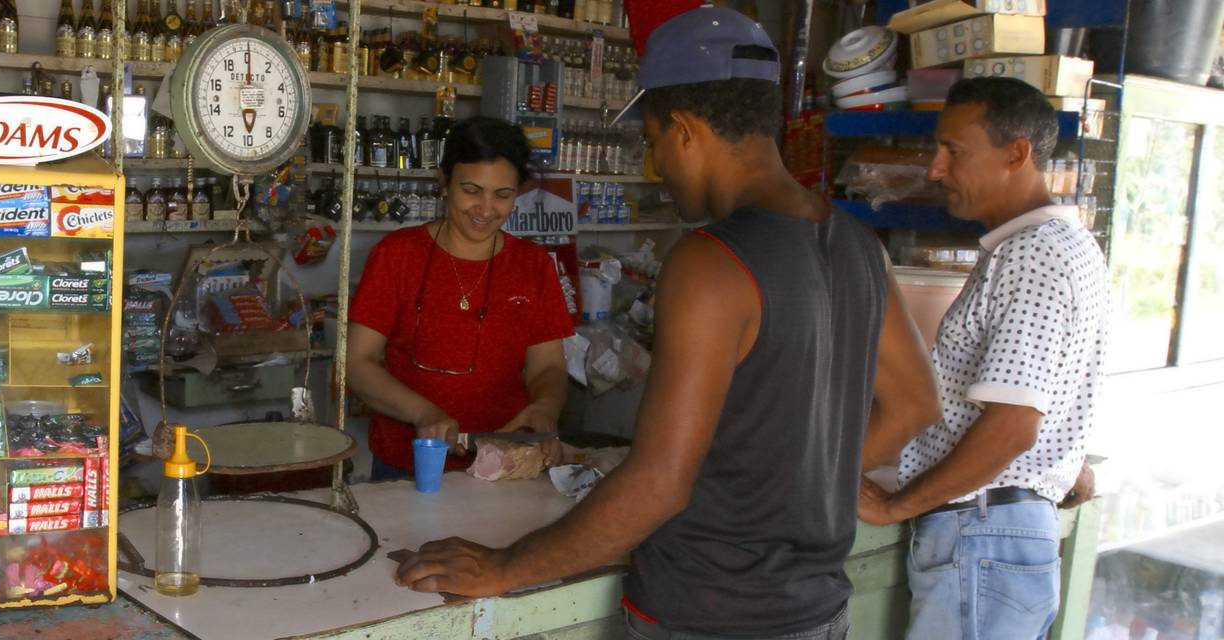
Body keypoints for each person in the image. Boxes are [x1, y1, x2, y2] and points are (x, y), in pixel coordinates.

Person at [393, 7, 941, 638]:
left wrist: (504, 567)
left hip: (705, 612)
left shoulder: (712, 263)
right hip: (816, 611)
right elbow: (913, 406)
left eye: (653, 143)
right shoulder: (859, 246)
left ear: (683, 130)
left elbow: (658, 484)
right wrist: (790, 481)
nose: (659, 165)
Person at [857, 77, 1110, 639]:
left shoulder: (1033, 257)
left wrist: (898, 508)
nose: (935, 169)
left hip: (982, 529)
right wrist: (1065, 466)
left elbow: (1012, 429)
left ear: (1016, 153)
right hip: (1000, 527)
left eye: (955, 151)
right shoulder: (1069, 245)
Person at [345, 117, 573, 479]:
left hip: (508, 465)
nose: (485, 209)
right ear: (444, 183)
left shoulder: (533, 265)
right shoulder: (397, 255)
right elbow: (359, 364)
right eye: (471, 190)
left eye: (502, 195)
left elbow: (547, 367)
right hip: (408, 466)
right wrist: (423, 413)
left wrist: (545, 408)